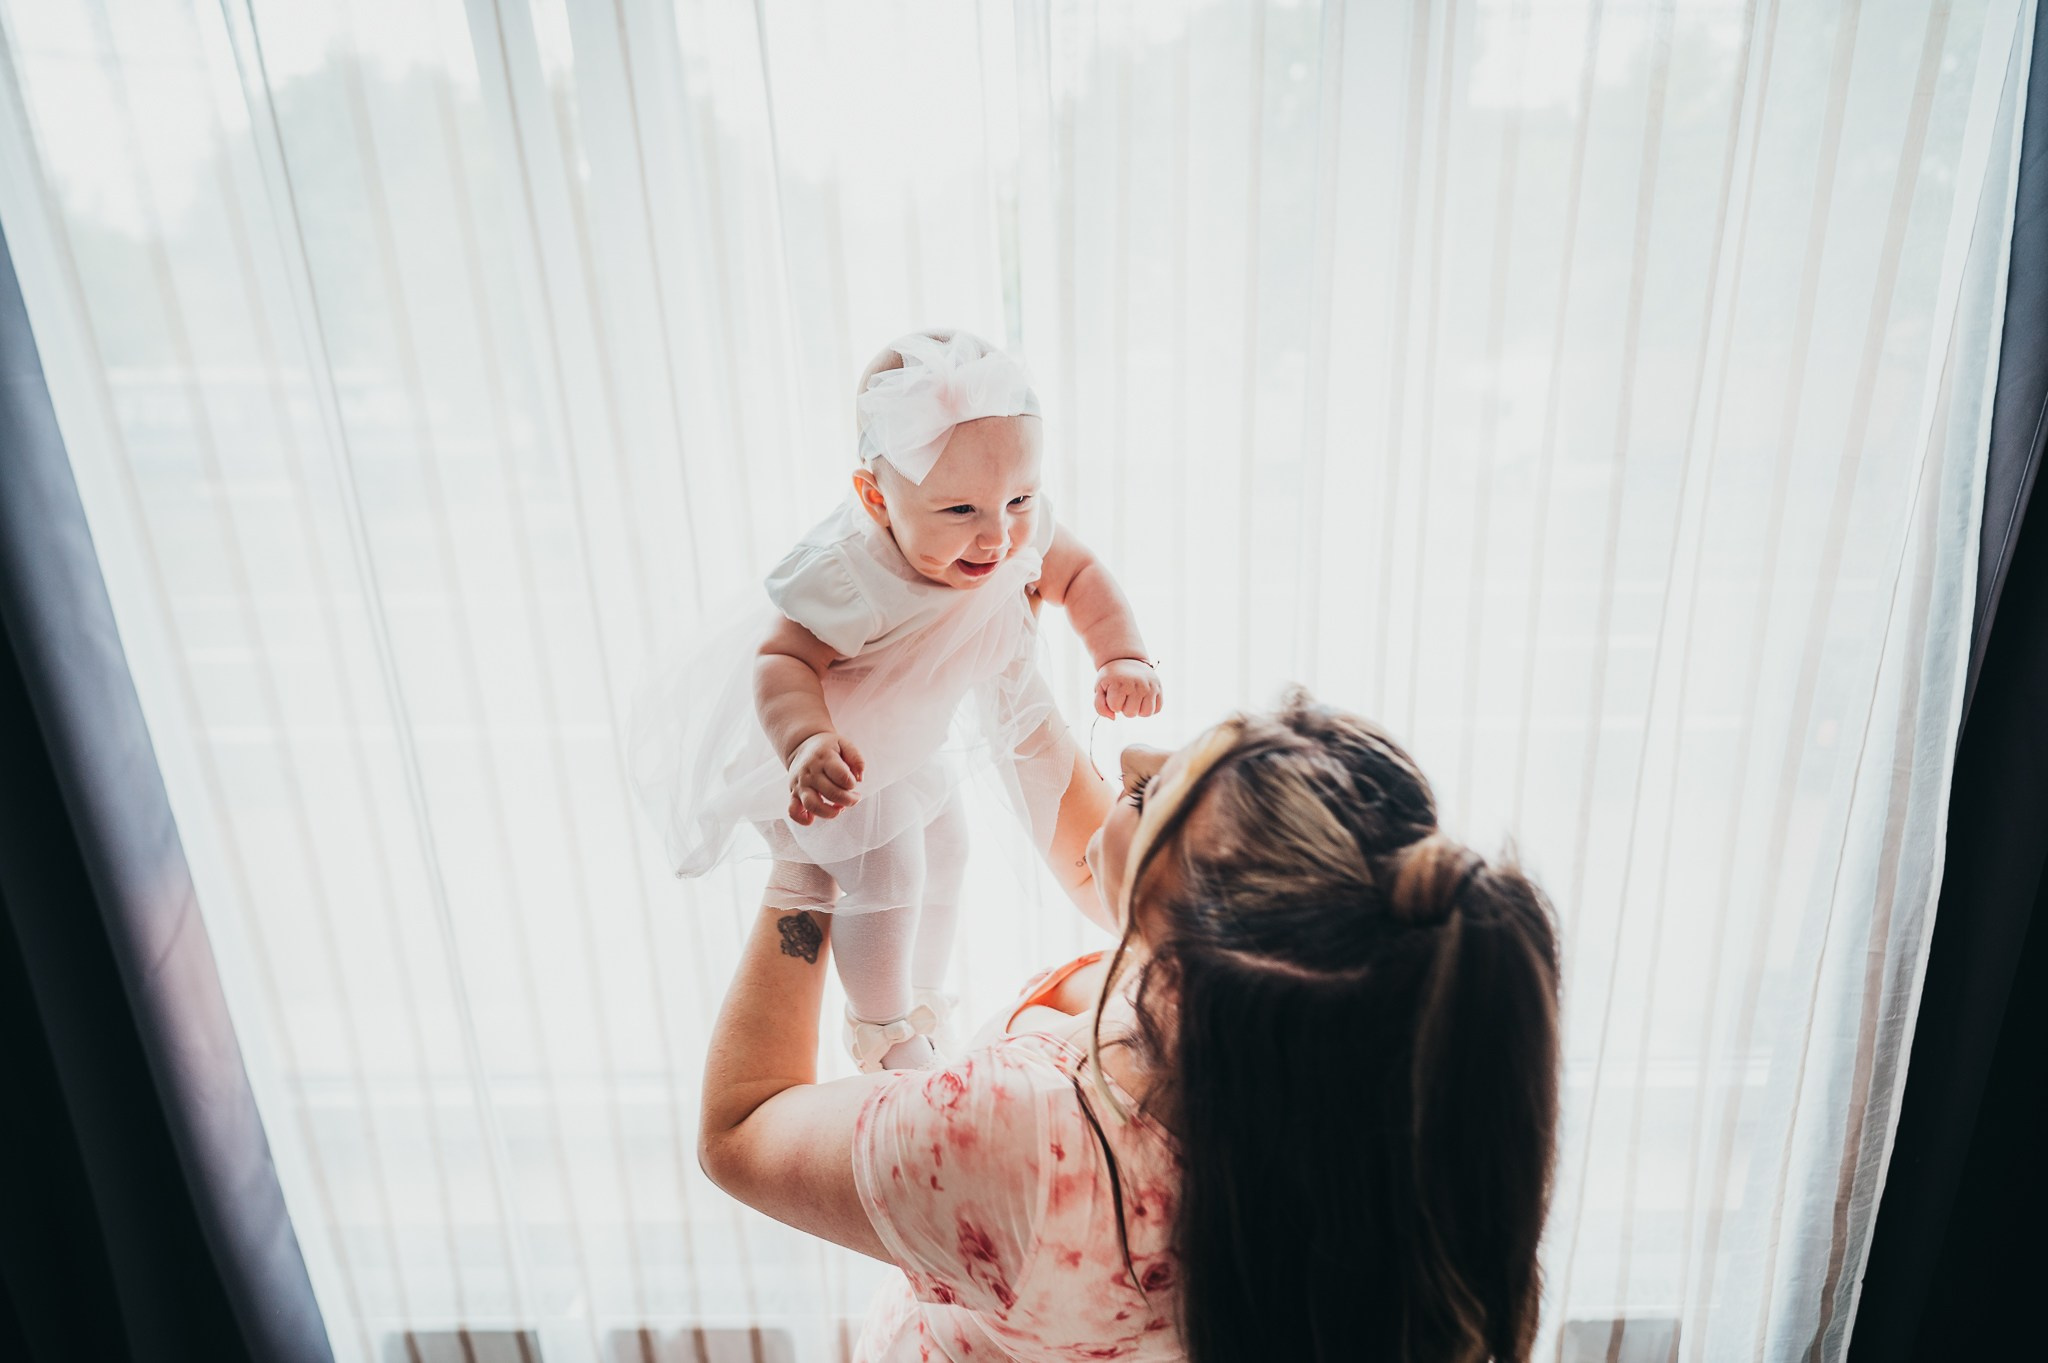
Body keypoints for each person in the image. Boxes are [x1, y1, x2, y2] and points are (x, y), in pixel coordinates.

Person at [699, 689, 1564, 1363]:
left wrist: (804, 862)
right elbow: (1105, 857)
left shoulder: (1025, 1144)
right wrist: (1008, 673)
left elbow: (740, 1129)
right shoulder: (1337, 1053)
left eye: (1151, 793)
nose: (1131, 754)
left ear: (1192, 946)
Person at [639, 329, 1161, 1073]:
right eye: (960, 510)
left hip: (909, 742)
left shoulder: (1016, 528)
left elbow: (1079, 575)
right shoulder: (848, 571)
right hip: (841, 756)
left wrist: (1121, 653)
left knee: (949, 849)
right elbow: (782, 658)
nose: (998, 536)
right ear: (876, 498)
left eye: (1020, 498)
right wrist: (806, 740)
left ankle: (922, 998)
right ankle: (881, 1030)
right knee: (889, 876)